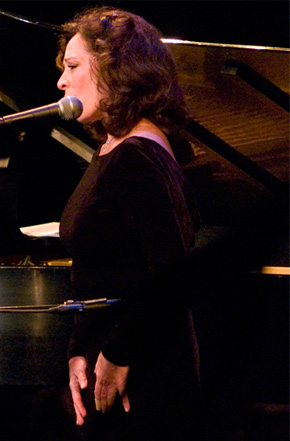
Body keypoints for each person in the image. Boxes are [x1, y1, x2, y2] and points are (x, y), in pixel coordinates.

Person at [55, 7, 205, 441]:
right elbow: (99, 273)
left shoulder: (139, 155)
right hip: (114, 364)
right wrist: (78, 351)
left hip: (145, 375)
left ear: (116, 70)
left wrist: (117, 353)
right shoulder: (112, 149)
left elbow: (170, 274)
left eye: (73, 66)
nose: (61, 82)